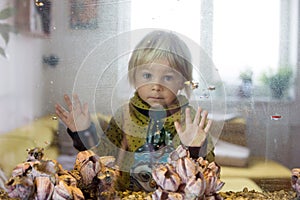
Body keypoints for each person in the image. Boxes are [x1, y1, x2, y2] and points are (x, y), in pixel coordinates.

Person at [55, 30, 214, 191]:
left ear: (183, 82)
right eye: (147, 75)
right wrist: (83, 132)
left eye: (167, 77)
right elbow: (103, 157)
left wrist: (194, 148)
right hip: (128, 193)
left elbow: (207, 172)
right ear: (134, 77)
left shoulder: (190, 119)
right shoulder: (124, 114)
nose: (156, 86)